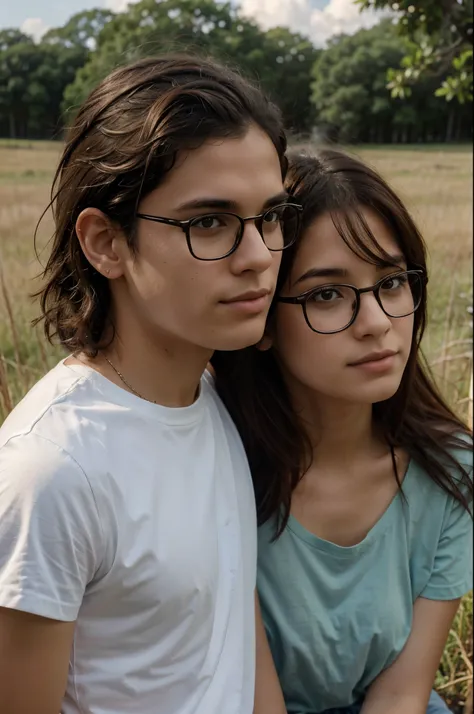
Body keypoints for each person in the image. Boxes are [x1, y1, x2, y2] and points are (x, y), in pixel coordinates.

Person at [0, 54, 303, 714]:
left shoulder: (213, 395)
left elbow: (233, 636)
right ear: (106, 243)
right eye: (209, 223)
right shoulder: (51, 473)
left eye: (271, 216)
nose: (258, 256)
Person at [213, 149, 473, 714]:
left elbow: (403, 691)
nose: (378, 322)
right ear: (261, 318)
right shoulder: (213, 463)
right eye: (326, 294)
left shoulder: (451, 470)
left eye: (393, 281)